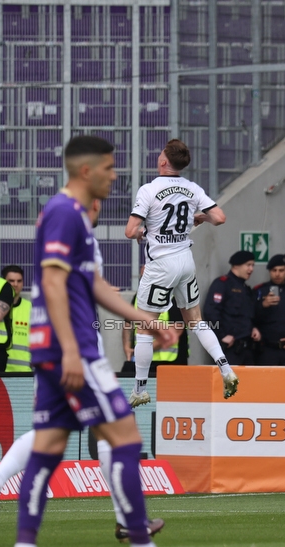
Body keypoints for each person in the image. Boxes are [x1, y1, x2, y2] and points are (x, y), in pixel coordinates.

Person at [0, 135, 200, 547]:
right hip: (71, 346)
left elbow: (94, 286)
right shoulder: (64, 212)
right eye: (109, 169)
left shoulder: (73, 216)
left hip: (60, 346)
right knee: (124, 438)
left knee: (49, 445)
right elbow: (55, 285)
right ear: (86, 171)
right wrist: (74, 350)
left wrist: (147, 322)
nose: (115, 177)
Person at [0, 200, 165, 544]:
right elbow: (79, 289)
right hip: (74, 349)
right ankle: (129, 522)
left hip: (48, 348)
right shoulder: (77, 239)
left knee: (51, 430)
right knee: (116, 429)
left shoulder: (53, 240)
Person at [123, 138, 238, 407]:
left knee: (144, 326)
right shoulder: (192, 188)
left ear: (164, 161)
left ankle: (140, 389)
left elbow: (130, 231)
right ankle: (226, 369)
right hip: (185, 260)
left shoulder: (149, 190)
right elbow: (219, 218)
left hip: (160, 263)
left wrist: (144, 232)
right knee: (196, 321)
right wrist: (199, 217)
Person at [122, 265, 189, 373]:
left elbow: (176, 329)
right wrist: (127, 347)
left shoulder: (173, 297)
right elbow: (128, 324)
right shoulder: (138, 297)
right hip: (143, 359)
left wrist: (144, 349)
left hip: (170, 362)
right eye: (143, 278)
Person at [202, 251, 259, 366]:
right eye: (248, 265)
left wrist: (253, 328)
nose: (251, 269)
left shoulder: (246, 289)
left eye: (253, 265)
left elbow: (247, 316)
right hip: (230, 349)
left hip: (247, 349)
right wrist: (221, 335)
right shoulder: (222, 284)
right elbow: (210, 312)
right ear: (236, 265)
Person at [2, 265, 32, 373]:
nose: (15, 284)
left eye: (19, 281)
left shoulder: (30, 308)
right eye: (11, 281)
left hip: (24, 372)